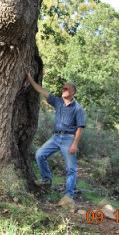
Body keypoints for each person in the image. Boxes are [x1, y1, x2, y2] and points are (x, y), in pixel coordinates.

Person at [26, 71, 85, 203]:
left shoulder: (78, 108)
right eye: (63, 88)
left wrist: (74, 144)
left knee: (71, 169)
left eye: (66, 88)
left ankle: (68, 195)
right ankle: (46, 179)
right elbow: (41, 90)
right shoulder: (57, 102)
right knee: (40, 154)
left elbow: (80, 128)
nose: (63, 90)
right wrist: (30, 79)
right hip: (56, 137)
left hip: (69, 139)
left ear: (73, 92)